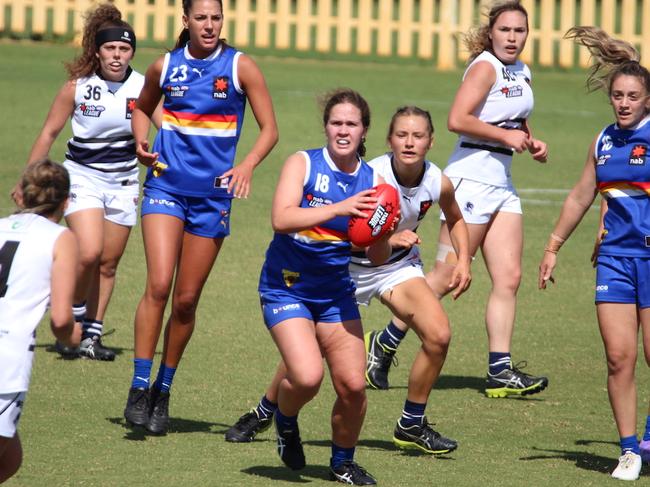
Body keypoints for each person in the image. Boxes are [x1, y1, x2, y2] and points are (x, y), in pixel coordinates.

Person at [226, 106, 472, 460]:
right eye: (402, 134)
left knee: (439, 335)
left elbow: (455, 217)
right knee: (308, 351)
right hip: (343, 267)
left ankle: (411, 423)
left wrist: (463, 259)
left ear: (431, 142)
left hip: (392, 268)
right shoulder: (373, 174)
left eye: (418, 136)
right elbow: (339, 228)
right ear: (387, 140)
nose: (409, 142)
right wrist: (385, 235)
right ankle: (266, 410)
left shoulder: (436, 180)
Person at [365, 0, 549, 397]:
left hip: (501, 181)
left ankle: (500, 370)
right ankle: (383, 344)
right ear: (492, 33)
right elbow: (457, 119)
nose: (512, 37)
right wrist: (506, 137)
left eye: (520, 31)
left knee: (509, 277)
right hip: (470, 180)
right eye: (505, 30)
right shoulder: (484, 66)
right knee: (449, 275)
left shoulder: (521, 70)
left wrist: (529, 139)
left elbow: (512, 115)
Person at [122, 0, 278, 436]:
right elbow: (140, 107)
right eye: (201, 17)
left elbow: (270, 129)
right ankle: (138, 386)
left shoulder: (241, 67)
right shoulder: (164, 66)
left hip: (213, 198)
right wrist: (141, 141)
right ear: (185, 20)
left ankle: (162, 391)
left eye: (216, 17)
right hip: (165, 187)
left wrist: (246, 165)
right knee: (158, 284)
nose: (209, 25)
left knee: (187, 300)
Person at [255, 89, 395, 485]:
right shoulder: (302, 163)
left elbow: (379, 256)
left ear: (364, 130)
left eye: (351, 123)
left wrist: (382, 230)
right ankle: (284, 420)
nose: (343, 130)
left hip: (335, 294)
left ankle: (342, 463)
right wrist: (340, 209)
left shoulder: (375, 181)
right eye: (336, 123)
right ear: (326, 127)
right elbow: (281, 218)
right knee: (307, 377)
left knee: (353, 386)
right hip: (286, 288)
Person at [539, 26, 650, 481]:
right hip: (614, 261)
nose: (623, 103)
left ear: (648, 100)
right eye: (618, 96)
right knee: (619, 357)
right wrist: (552, 247)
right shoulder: (603, 141)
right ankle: (629, 451)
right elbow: (580, 196)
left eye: (633, 96)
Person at [25, 3, 153, 361]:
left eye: (124, 49)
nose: (117, 55)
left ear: (132, 53)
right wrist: (28, 182)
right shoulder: (78, 87)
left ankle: (90, 337)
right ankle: (72, 316)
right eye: (110, 48)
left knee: (108, 263)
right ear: (97, 51)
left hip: (124, 181)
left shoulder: (144, 87)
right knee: (90, 252)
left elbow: (168, 128)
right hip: (81, 176)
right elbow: (49, 133)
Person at [0, 159, 81, 483]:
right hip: (6, 362)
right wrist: (73, 336)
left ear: (21, 195)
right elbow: (61, 319)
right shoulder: (61, 238)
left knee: (10, 459)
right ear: (65, 202)